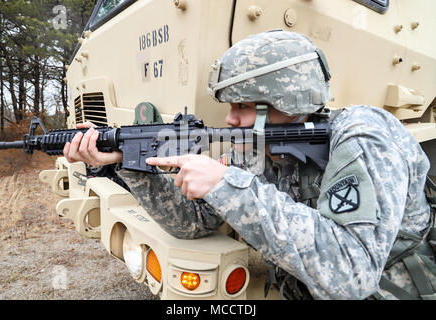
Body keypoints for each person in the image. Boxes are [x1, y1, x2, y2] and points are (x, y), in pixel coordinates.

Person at [63, 30, 436, 300]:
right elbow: (191, 223)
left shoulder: (364, 138)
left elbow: (352, 275)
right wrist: (131, 164)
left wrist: (227, 185)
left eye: (242, 106)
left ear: (285, 100)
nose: (229, 119)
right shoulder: (259, 141)